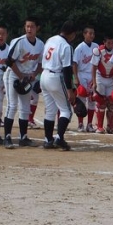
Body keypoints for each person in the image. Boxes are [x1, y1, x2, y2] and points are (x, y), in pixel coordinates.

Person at [2, 17, 44, 149]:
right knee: (12, 106)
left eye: (32, 26)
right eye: (27, 26)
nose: (29, 29)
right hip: (13, 75)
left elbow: (41, 64)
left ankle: (23, 137)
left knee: (25, 108)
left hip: (27, 77)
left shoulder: (40, 44)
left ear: (37, 28)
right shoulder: (19, 42)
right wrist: (21, 76)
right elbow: (9, 61)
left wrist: (34, 75)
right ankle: (7, 137)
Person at [41, 21, 77, 150]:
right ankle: (59, 139)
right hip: (56, 77)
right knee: (66, 110)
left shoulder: (50, 39)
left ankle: (48, 140)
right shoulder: (66, 46)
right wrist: (70, 90)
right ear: (71, 34)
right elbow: (67, 70)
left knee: (50, 110)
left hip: (44, 75)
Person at [73, 26, 99, 132]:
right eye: (90, 33)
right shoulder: (79, 48)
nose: (92, 35)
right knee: (82, 100)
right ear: (84, 34)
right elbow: (74, 63)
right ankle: (80, 124)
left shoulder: (96, 47)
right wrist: (75, 77)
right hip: (82, 74)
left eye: (93, 33)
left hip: (93, 75)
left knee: (92, 100)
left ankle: (89, 124)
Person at [90, 35, 113, 133]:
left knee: (112, 103)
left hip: (110, 78)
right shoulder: (98, 51)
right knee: (101, 102)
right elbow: (94, 67)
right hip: (100, 77)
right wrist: (94, 82)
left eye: (112, 43)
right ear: (104, 42)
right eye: (108, 43)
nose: (111, 45)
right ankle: (99, 126)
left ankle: (110, 126)